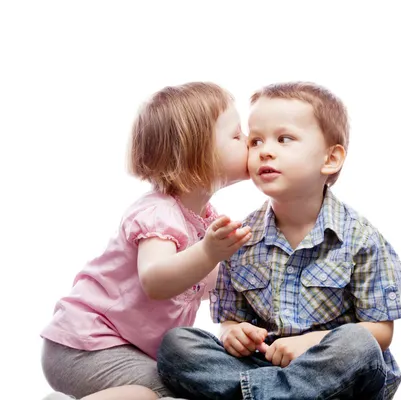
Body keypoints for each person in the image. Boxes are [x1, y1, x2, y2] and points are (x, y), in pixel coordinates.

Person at [157, 82, 401, 400]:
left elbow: (380, 333)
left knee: (358, 345)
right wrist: (235, 334)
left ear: (330, 158)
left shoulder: (362, 241)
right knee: (177, 345)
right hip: (265, 362)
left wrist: (311, 343)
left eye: (284, 138)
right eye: (255, 140)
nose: (264, 150)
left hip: (332, 371)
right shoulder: (239, 237)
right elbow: (231, 320)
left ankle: (257, 394)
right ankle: (275, 394)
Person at [41, 82, 252, 400]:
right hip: (84, 346)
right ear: (196, 153)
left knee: (186, 384)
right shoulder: (159, 213)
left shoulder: (205, 219)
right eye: (237, 136)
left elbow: (214, 284)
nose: (250, 143)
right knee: (163, 391)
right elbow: (156, 281)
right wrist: (208, 251)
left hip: (116, 349)